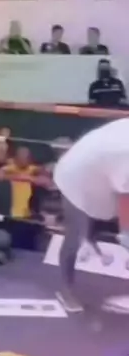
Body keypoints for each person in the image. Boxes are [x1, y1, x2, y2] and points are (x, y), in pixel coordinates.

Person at [53, 119, 129, 312]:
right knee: (76, 235)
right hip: (76, 179)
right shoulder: (125, 151)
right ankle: (66, 290)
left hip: (103, 175)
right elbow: (125, 197)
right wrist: (126, 234)